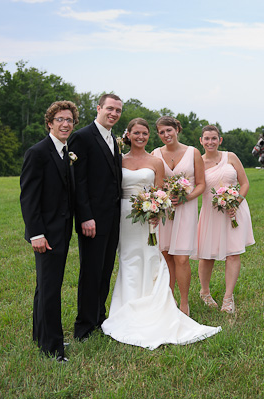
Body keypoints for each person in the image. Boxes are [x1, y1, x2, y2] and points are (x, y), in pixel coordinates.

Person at [101, 118, 221, 349]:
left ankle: (175, 304)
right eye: (137, 133)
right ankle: (130, 305)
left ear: (176, 130)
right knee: (134, 258)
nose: (141, 136)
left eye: (145, 133)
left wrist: (161, 204)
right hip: (127, 216)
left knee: (164, 258)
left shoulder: (163, 159)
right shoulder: (120, 160)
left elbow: (166, 188)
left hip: (157, 214)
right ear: (128, 134)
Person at [20, 100, 79, 362]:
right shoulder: (38, 152)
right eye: (60, 120)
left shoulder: (66, 151)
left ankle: (40, 336)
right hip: (45, 233)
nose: (65, 124)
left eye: (69, 120)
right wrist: (36, 234)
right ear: (49, 123)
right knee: (50, 289)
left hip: (62, 229)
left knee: (45, 286)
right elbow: (29, 197)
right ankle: (53, 348)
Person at [68, 94, 123, 340]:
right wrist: (85, 217)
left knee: (104, 269)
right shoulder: (82, 137)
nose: (113, 113)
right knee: (90, 271)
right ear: (98, 108)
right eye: (110, 108)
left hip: (112, 218)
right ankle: (84, 325)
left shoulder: (114, 139)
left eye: (118, 111)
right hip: (92, 219)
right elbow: (77, 181)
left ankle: (100, 318)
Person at [195, 125, 255, 314]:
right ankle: (204, 292)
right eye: (207, 138)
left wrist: (236, 202)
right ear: (201, 141)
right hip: (211, 213)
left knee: (233, 253)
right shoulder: (198, 162)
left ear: (220, 140)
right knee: (206, 254)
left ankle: (228, 298)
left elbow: (244, 183)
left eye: (214, 138)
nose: (210, 142)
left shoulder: (231, 157)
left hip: (234, 212)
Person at [152, 116, 205, 315]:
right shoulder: (155, 154)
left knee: (181, 258)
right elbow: (154, 184)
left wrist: (186, 197)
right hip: (165, 211)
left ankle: (184, 302)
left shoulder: (193, 153)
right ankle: (169, 299)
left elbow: (201, 184)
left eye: (169, 130)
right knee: (166, 256)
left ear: (177, 129)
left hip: (186, 209)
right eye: (161, 132)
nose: (166, 135)